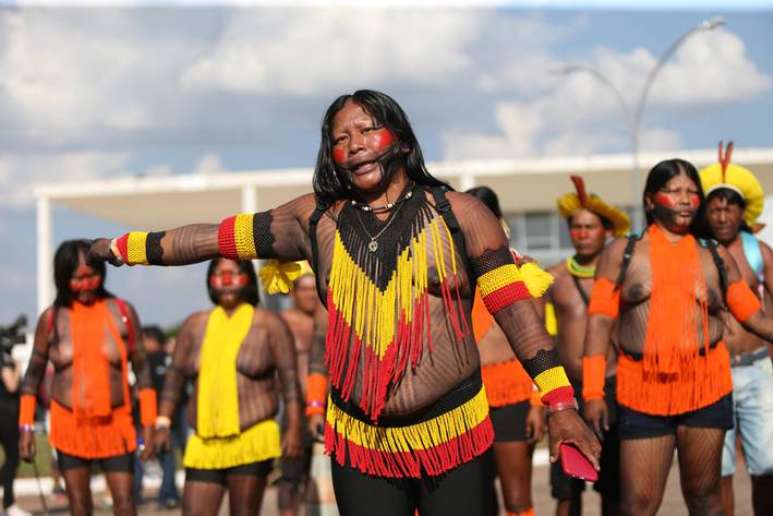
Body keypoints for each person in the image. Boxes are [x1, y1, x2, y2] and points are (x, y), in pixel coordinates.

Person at [89, 89, 600, 516]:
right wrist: (125, 248)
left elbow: (516, 312)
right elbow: (214, 238)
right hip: (361, 440)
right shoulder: (314, 220)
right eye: (340, 139)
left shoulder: (461, 215)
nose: (354, 145)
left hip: (453, 430)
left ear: (398, 137)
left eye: (367, 130)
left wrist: (560, 403)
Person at [581, 158, 773, 515]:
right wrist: (592, 392)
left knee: (706, 499)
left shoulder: (715, 256)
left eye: (691, 192)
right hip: (642, 390)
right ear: (651, 200)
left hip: (707, 388)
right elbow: (599, 325)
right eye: (674, 191)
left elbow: (754, 315)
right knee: (638, 504)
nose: (685, 199)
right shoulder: (621, 253)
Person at [151, 258, 303, 516]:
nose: (227, 279)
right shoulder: (194, 325)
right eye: (220, 273)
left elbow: (289, 381)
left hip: (252, 435)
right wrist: (163, 422)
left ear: (248, 279)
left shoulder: (268, 323)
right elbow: (175, 377)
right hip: (204, 440)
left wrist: (294, 429)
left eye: (235, 273)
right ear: (210, 280)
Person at [18, 239, 157, 516]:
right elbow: (32, 378)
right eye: (77, 279)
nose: (85, 285)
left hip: (117, 425)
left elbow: (143, 371)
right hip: (70, 426)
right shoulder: (51, 320)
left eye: (91, 276)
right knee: (80, 508)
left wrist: (150, 422)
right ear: (62, 278)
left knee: (125, 505)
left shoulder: (123, 313)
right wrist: (26, 428)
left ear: (102, 273)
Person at [699, 142, 773, 516]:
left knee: (768, 468)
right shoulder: (696, 253)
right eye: (715, 208)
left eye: (730, 208)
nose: (722, 215)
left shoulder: (759, 251)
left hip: (759, 370)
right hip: (711, 374)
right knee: (719, 471)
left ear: (743, 212)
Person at [547, 176, 629, 516]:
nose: (582, 233)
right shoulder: (554, 278)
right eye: (576, 227)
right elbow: (542, 335)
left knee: (612, 487)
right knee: (567, 489)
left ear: (605, 231)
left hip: (612, 388)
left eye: (589, 227)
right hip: (567, 391)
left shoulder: (621, 277)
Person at [466, 186, 547, 516]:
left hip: (512, 394)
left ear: (498, 223)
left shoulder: (523, 269)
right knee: (476, 500)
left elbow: (540, 341)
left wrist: (538, 402)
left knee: (516, 499)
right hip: (467, 398)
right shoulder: (453, 277)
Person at [262, 261, 320, 516]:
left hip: (331, 409)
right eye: (304, 289)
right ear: (293, 292)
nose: (310, 295)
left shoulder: (329, 319)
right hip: (295, 410)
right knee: (291, 475)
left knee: (321, 477)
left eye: (313, 289)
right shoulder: (282, 322)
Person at [132, 326, 181, 509]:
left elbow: (145, 391)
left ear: (151, 339)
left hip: (151, 420)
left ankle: (137, 492)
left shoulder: (148, 361)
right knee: (166, 458)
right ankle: (168, 494)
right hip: (167, 419)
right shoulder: (172, 361)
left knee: (143, 456)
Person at [0, 336, 29, 516]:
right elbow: (11, 385)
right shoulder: (4, 361)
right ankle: (9, 503)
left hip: (6, 414)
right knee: (13, 457)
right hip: (6, 415)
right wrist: (17, 369)